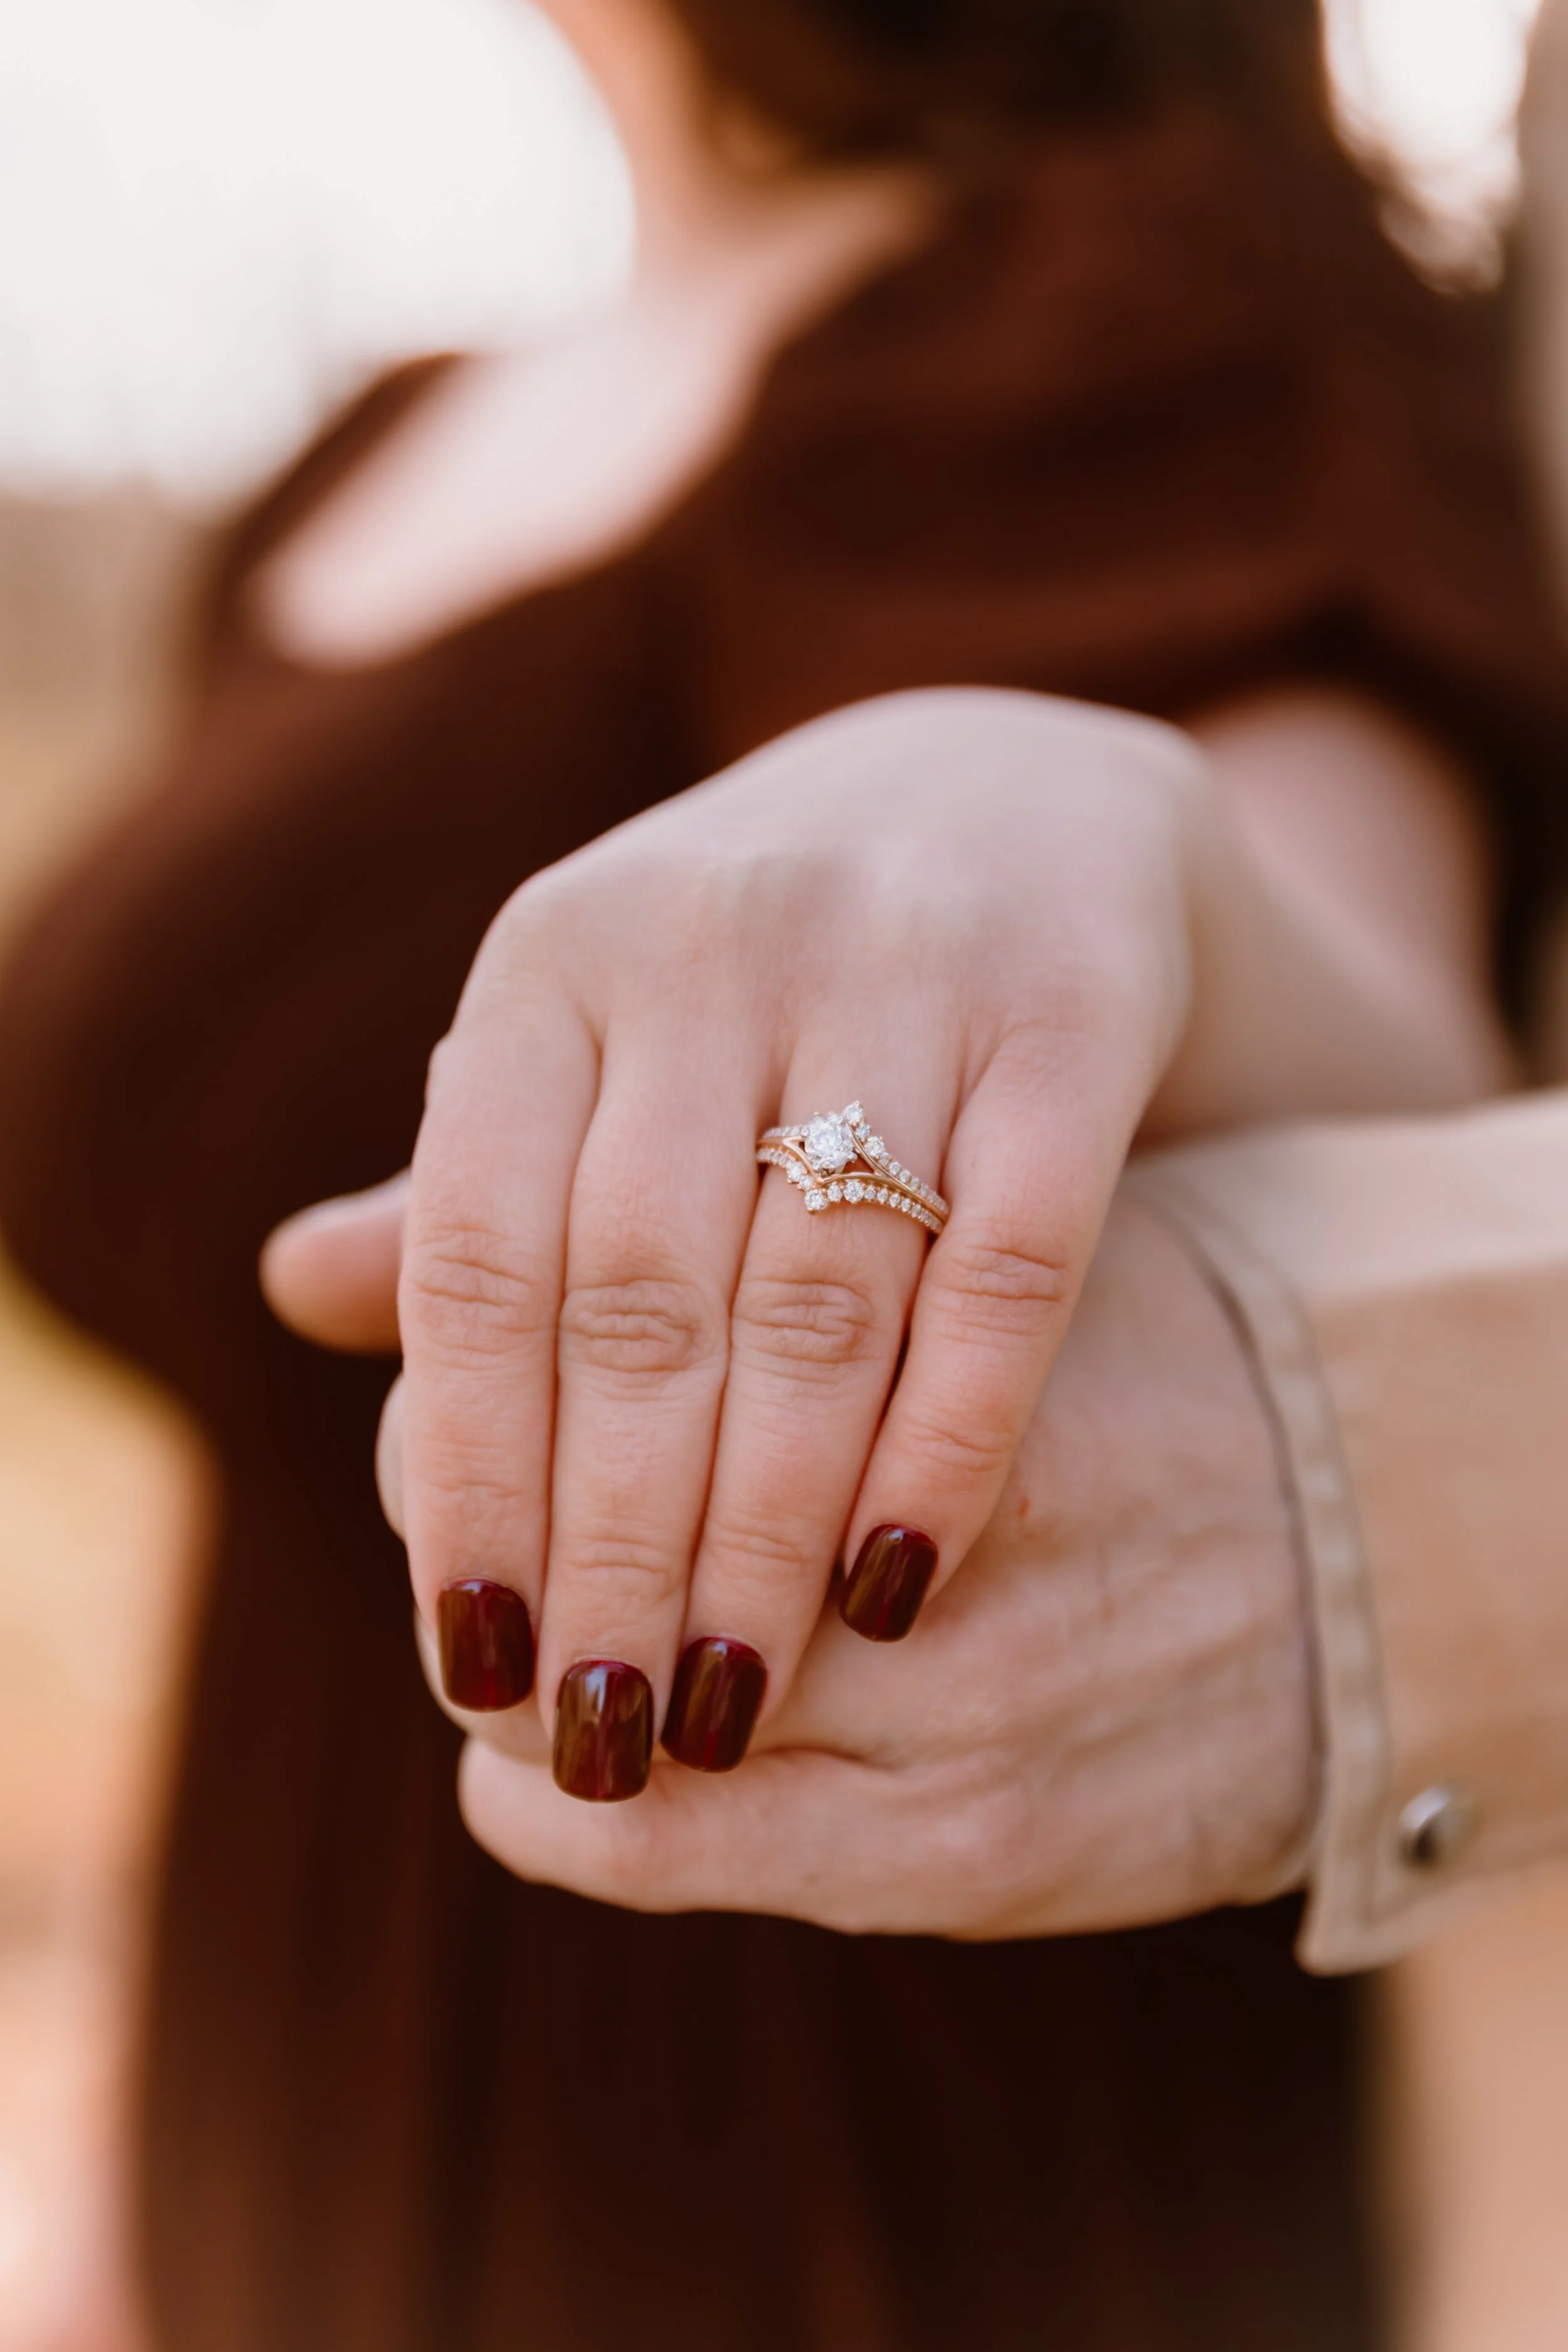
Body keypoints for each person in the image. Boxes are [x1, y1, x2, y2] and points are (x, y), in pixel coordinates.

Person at [0, 2, 1563, 2346]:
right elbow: (281, 1467)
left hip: (855, 2197)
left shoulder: (1144, 318)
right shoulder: (362, 455)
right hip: (289, 2117)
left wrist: (1120, 842)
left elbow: (1391, 1102)